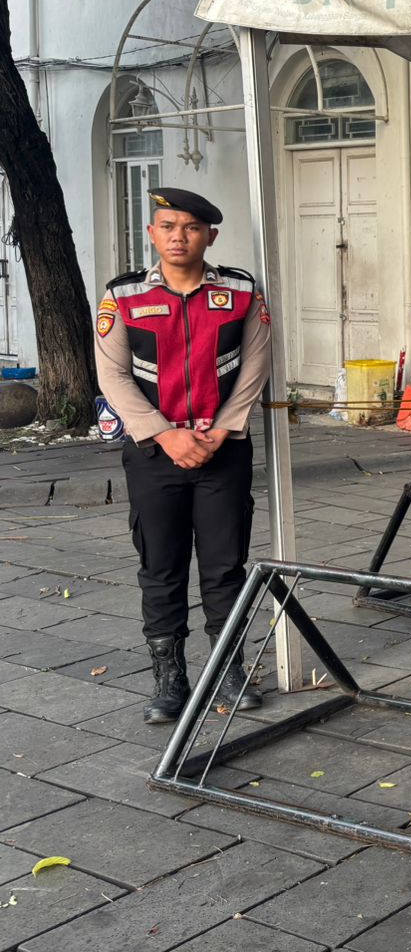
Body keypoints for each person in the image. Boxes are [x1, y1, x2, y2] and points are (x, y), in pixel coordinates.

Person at [95, 188, 271, 723]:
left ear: (209, 236)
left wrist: (219, 433)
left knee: (225, 566)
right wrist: (166, 435)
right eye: (167, 226)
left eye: (191, 227)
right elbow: (113, 375)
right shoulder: (121, 295)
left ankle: (229, 669)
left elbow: (255, 367)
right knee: (161, 566)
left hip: (224, 452)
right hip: (154, 454)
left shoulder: (241, 291)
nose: (178, 236)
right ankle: (169, 681)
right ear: (151, 233)